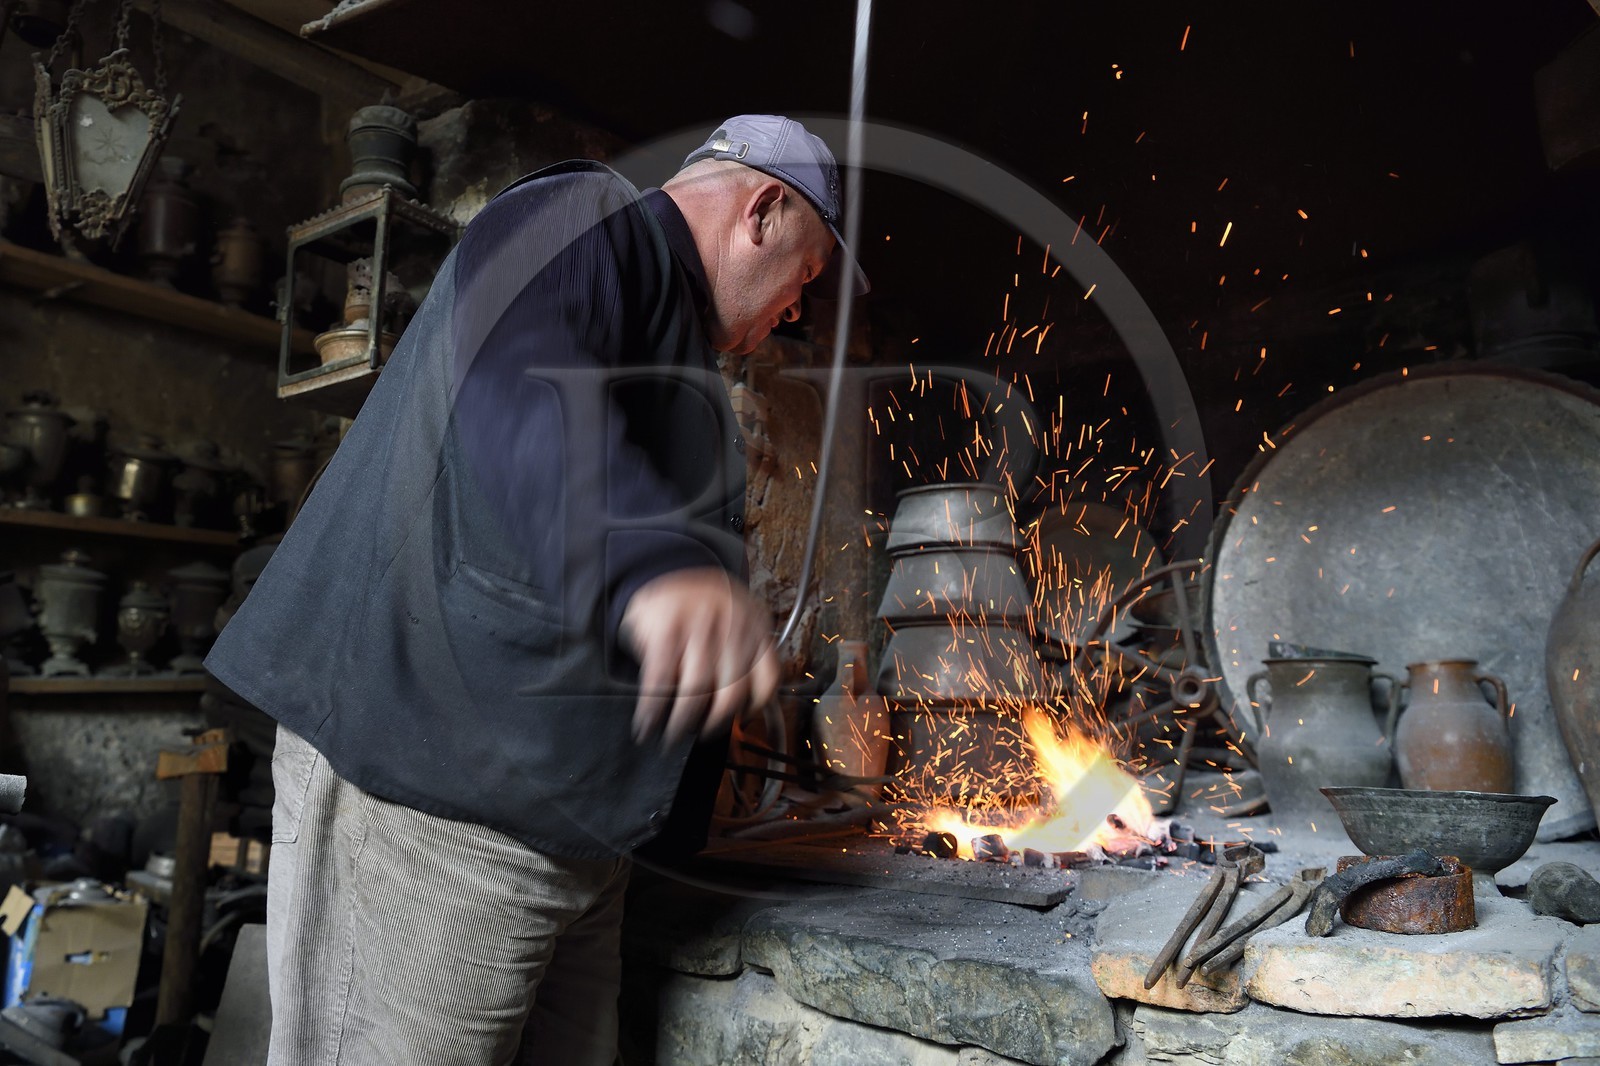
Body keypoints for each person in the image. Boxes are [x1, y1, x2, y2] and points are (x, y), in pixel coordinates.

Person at [204, 114, 866, 1065]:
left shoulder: (676, 352)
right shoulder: (585, 214)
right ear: (763, 210)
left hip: (573, 839)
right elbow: (520, 376)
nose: (796, 311)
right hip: (436, 800)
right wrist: (652, 566)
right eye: (805, 276)